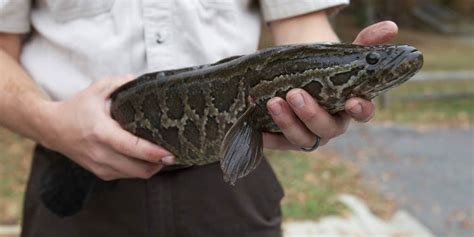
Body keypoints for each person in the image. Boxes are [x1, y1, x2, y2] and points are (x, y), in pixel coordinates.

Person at [0, 0, 397, 236]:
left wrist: (338, 76)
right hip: (72, 176)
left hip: (230, 179)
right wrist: (49, 122)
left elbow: (301, 24)